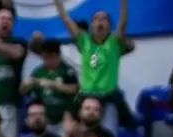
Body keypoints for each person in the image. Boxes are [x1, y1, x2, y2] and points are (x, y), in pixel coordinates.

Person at [52, 0, 135, 128]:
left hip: (109, 95)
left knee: (129, 124)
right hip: (86, 94)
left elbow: (123, 24)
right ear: (91, 25)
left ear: (110, 26)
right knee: (68, 121)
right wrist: (58, 3)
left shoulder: (115, 42)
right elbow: (65, 19)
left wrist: (124, 3)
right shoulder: (84, 40)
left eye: (104, 19)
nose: (100, 22)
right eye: (96, 19)